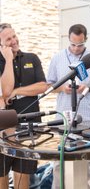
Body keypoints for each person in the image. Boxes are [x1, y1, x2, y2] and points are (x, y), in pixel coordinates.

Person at [47, 24, 90, 189]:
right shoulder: (57, 58)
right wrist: (62, 88)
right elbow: (50, 85)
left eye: (80, 45)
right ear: (68, 40)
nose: (76, 48)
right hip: (64, 116)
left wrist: (87, 87)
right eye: (73, 44)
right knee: (59, 161)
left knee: (85, 162)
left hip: (87, 117)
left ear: (85, 40)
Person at [0, 23, 47, 189]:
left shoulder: (32, 58)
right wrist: (7, 60)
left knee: (23, 180)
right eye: (8, 39)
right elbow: (6, 91)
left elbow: (42, 86)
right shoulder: (2, 62)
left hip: (29, 128)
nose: (14, 41)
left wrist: (17, 91)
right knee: (1, 178)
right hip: (4, 130)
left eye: (14, 36)